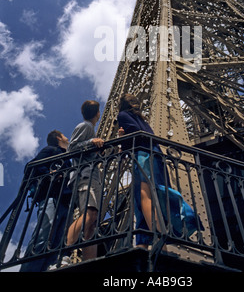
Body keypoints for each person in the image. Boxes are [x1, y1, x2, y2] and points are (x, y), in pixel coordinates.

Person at [117, 94, 202, 249]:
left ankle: (158, 237)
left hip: (143, 156)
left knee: (145, 196)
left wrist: (122, 140)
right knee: (148, 198)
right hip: (155, 154)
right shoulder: (142, 119)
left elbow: (135, 134)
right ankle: (144, 244)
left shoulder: (122, 116)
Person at [20, 130, 71, 272]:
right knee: (43, 236)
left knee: (57, 242)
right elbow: (32, 166)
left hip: (64, 201)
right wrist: (49, 174)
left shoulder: (65, 156)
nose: (68, 137)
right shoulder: (51, 149)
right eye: (65, 134)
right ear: (59, 138)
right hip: (51, 197)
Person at [66, 100, 104, 262]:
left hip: (90, 175)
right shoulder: (86, 127)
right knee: (90, 214)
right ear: (97, 113)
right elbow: (71, 148)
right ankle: (65, 252)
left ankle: (89, 261)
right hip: (85, 177)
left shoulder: (90, 129)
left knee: (92, 223)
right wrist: (91, 142)